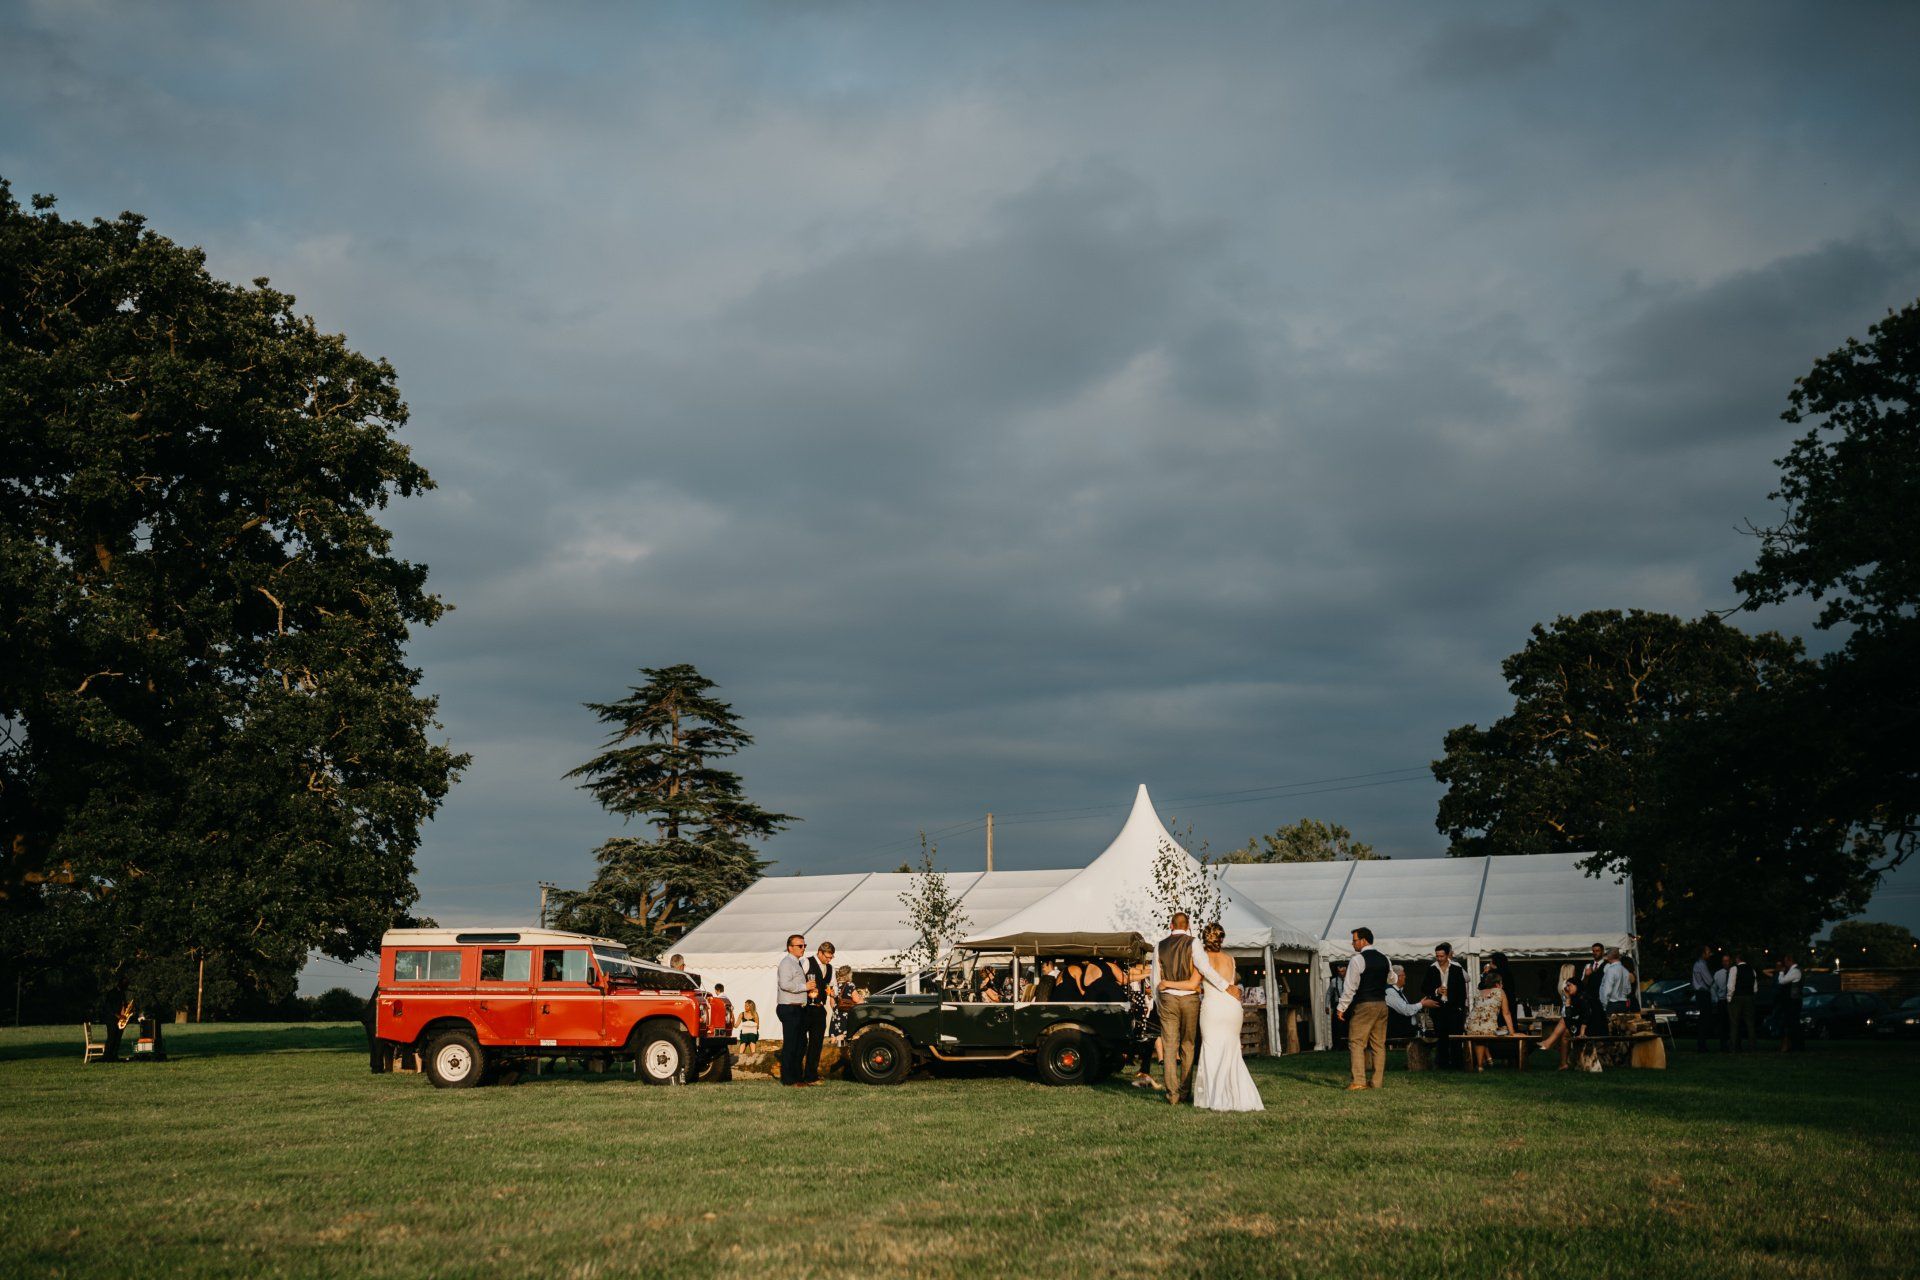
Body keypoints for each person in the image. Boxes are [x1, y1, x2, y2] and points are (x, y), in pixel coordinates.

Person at [1191, 922, 1264, 1112]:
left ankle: (1213, 1096)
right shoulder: (1231, 959)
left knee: (1212, 1049)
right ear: (1221, 939)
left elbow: (1195, 984)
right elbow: (1231, 982)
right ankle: (1238, 1096)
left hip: (1213, 1008)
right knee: (1231, 1052)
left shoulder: (1201, 959)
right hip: (1232, 1008)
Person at [1153, 911, 1205, 1105]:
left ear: (1171, 925)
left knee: (1169, 1046)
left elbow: (1155, 978)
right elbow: (1202, 967)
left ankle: (1172, 1095)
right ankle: (1184, 1092)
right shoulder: (1194, 943)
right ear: (1188, 924)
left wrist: (1159, 1002)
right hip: (1190, 999)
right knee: (1188, 1045)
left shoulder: (1160, 945)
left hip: (1168, 999)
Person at [1336, 926, 1390, 1091]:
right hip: (1382, 1004)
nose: (1352, 944)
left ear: (1363, 940)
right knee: (1378, 1045)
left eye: (1354, 940)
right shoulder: (1385, 959)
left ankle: (1359, 1081)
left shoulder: (1357, 960)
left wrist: (1341, 1007)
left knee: (1357, 1042)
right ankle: (1377, 1082)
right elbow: (1392, 978)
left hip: (1365, 1004)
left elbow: (1350, 986)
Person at [1419, 943, 1468, 1069]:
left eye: (1441, 956)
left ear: (1448, 955)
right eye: (1437, 956)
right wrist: (1436, 990)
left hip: (1454, 1009)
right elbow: (1424, 987)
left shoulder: (1456, 969)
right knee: (1441, 1037)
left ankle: (1457, 1064)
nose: (1439, 958)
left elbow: (1461, 991)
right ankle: (1443, 1064)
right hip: (1438, 1008)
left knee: (1456, 1037)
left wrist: (1460, 1007)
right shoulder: (1432, 968)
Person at [776, 934, 812, 1087]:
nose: (803, 948)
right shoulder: (786, 963)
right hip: (789, 1008)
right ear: (790, 948)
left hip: (798, 1008)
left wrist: (808, 992)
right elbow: (785, 984)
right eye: (800, 946)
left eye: (804, 945)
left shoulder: (796, 963)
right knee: (791, 1044)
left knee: (801, 1043)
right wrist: (805, 987)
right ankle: (788, 1078)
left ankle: (797, 1077)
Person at [1463, 972, 1515, 1070]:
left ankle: (1481, 1064)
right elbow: (1506, 1013)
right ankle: (1483, 1062)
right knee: (1495, 1030)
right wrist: (1512, 1032)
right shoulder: (1500, 992)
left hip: (1470, 1026)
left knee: (1479, 1033)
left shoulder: (1479, 992)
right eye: (1501, 983)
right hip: (1488, 1028)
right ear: (1497, 984)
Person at [803, 941, 835, 1082]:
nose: (829, 960)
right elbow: (797, 981)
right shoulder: (806, 962)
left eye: (831, 957)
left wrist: (833, 992)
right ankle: (796, 1074)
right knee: (801, 1042)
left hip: (820, 1009)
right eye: (827, 957)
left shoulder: (830, 968)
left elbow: (832, 986)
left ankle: (811, 1075)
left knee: (816, 1044)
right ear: (820, 952)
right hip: (805, 1008)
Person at [1124, 961, 1159, 1088]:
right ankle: (1135, 1062)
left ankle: (1143, 1069)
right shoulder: (1130, 969)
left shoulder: (1143, 971)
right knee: (1139, 1035)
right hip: (1135, 1005)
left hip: (1143, 1005)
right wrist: (1152, 970)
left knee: (1148, 1037)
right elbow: (1135, 972)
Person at [1535, 978, 1584, 1069]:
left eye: (1570, 985)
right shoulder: (1575, 997)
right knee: (1565, 1032)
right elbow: (1570, 1016)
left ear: (1577, 986)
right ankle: (1563, 1064)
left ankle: (1548, 1042)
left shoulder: (1582, 998)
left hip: (1588, 1027)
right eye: (1567, 985)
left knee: (1564, 1021)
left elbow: (1584, 1017)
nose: (1567, 988)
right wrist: (1568, 998)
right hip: (1579, 1025)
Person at [1727, 950, 1758, 1051]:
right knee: (1750, 1023)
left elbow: (1731, 985)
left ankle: (1734, 1047)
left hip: (1737, 997)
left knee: (1734, 1023)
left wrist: (1729, 997)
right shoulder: (1752, 970)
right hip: (1749, 997)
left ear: (1737, 959)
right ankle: (1752, 1046)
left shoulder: (1734, 969)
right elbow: (1755, 987)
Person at [1774, 952, 1805, 1052]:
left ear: (1789, 960)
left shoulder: (1795, 971)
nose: (1784, 963)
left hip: (1793, 1001)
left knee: (1792, 1024)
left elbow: (1782, 981)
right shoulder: (1794, 971)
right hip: (1792, 1000)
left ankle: (1795, 1045)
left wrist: (1781, 972)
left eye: (1785, 961)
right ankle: (1793, 1045)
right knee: (1791, 1023)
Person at [1690, 945, 1716, 1051]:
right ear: (1703, 953)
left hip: (1701, 993)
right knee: (1704, 1019)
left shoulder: (1699, 964)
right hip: (1703, 993)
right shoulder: (1701, 965)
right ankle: (1702, 1045)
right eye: (1708, 952)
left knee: (1703, 1019)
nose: (1710, 953)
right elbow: (1709, 981)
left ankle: (1702, 1044)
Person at [1598, 949, 1631, 1017]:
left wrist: (1604, 1004)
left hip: (1612, 1004)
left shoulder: (1610, 970)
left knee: (1611, 1026)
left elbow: (1607, 990)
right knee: (1622, 1026)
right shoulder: (1625, 971)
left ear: (1609, 957)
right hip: (1624, 1004)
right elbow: (1628, 990)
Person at [829, 965, 857, 1041]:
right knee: (843, 1037)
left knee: (834, 1037)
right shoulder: (850, 985)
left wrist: (837, 1010)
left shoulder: (834, 986)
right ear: (848, 974)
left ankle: (832, 1051)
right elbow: (857, 999)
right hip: (846, 1015)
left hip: (836, 1015)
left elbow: (831, 1003)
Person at [1712, 953, 1732, 1050]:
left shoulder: (1733, 972)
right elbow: (1713, 988)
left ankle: (1731, 1043)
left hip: (1731, 1001)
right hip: (1722, 1001)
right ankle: (1723, 1044)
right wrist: (1716, 999)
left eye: (1727, 960)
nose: (1726, 963)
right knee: (1722, 1023)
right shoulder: (1718, 974)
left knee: (1731, 1022)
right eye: (1724, 961)